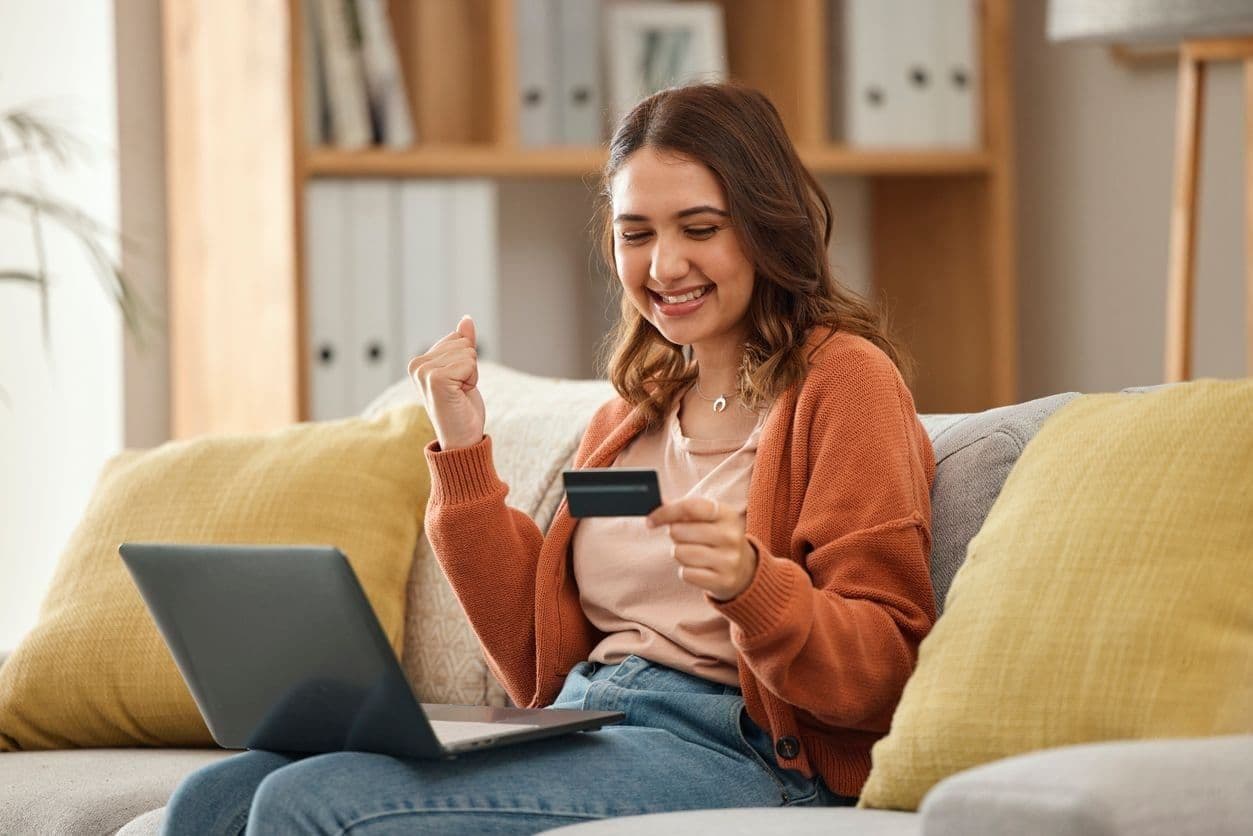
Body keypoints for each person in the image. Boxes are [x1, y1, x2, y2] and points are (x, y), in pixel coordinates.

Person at [161, 81, 936, 835]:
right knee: (212, 799)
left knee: (314, 801)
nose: (663, 267)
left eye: (699, 229)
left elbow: (883, 667)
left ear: (769, 227)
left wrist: (752, 585)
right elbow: (539, 660)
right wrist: (463, 449)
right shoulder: (629, 412)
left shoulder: (843, 381)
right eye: (636, 234)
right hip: (587, 715)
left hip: (740, 749)